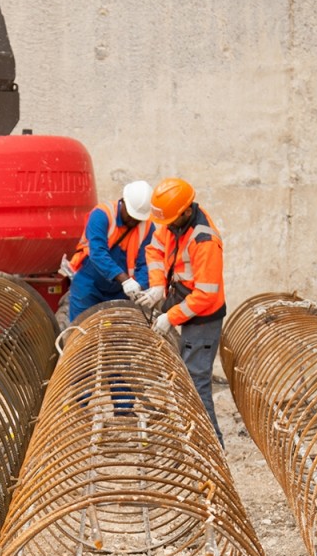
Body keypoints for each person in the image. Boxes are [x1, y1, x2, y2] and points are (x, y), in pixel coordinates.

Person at [140, 177, 227, 443]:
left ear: (186, 212)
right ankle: (193, 439)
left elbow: (206, 294)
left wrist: (170, 316)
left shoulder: (204, 241)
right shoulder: (174, 224)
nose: (165, 228)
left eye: (169, 222)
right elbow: (154, 250)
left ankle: (211, 446)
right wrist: (156, 287)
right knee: (187, 379)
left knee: (196, 382)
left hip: (203, 318)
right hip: (184, 306)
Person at [65, 180, 154, 322]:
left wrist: (140, 287)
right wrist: (125, 280)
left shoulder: (148, 227)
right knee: (81, 330)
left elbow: (147, 262)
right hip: (88, 284)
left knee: (117, 335)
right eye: (131, 215)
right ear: (123, 202)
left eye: (138, 218)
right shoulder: (102, 214)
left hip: (120, 291)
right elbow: (97, 253)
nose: (133, 221)